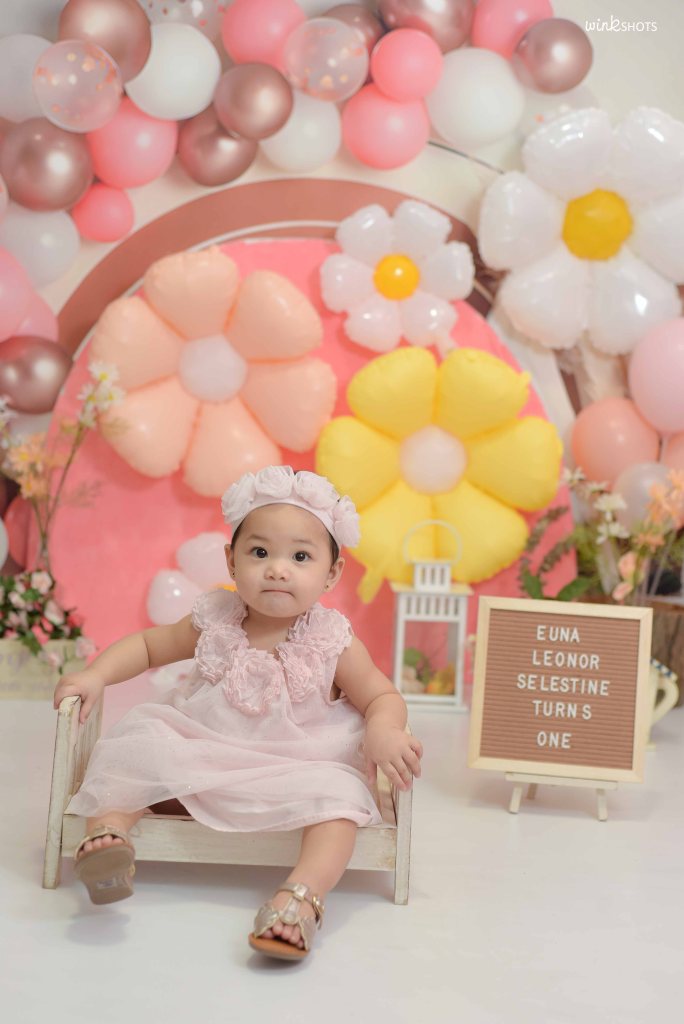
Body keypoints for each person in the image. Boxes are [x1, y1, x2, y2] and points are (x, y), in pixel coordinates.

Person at [54, 465, 423, 961]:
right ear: (231, 561)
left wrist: (384, 727)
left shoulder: (331, 639)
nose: (277, 569)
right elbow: (147, 646)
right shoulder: (215, 618)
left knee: (341, 800)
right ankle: (109, 835)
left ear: (332, 573)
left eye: (300, 556)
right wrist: (96, 675)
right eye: (259, 552)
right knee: (138, 748)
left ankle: (300, 897)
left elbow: (380, 695)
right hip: (205, 756)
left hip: (294, 769)